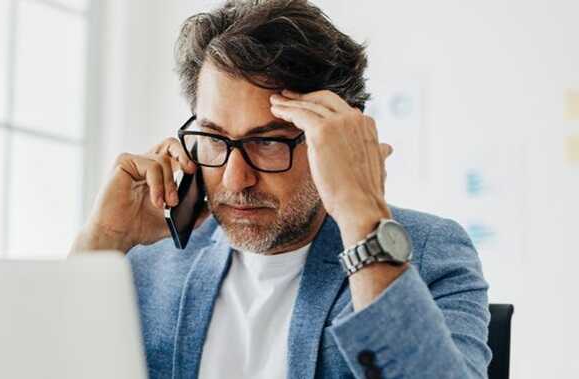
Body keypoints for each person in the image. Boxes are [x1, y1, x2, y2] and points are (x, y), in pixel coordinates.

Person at [71, 1, 491, 378]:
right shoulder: (149, 260)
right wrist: (102, 242)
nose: (236, 180)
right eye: (215, 139)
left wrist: (361, 214)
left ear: (340, 137)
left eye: (269, 142)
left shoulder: (430, 252)